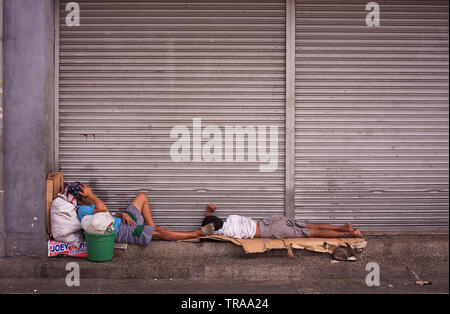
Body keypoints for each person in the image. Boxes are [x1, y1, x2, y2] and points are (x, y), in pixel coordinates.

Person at [72, 183, 215, 246]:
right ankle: (195, 234)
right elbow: (102, 209)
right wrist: (92, 195)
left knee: (142, 197)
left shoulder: (87, 205)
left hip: (124, 221)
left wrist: (122, 215)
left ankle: (151, 230)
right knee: (161, 231)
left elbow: (105, 215)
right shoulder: (83, 210)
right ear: (80, 199)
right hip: (123, 230)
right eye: (86, 195)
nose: (89, 196)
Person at [201, 203, 363, 239]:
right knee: (309, 226)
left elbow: (203, 231)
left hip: (270, 231)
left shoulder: (224, 231)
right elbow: (210, 219)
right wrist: (209, 210)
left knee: (312, 233)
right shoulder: (230, 219)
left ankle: (349, 234)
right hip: (271, 220)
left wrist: (207, 222)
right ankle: (344, 226)